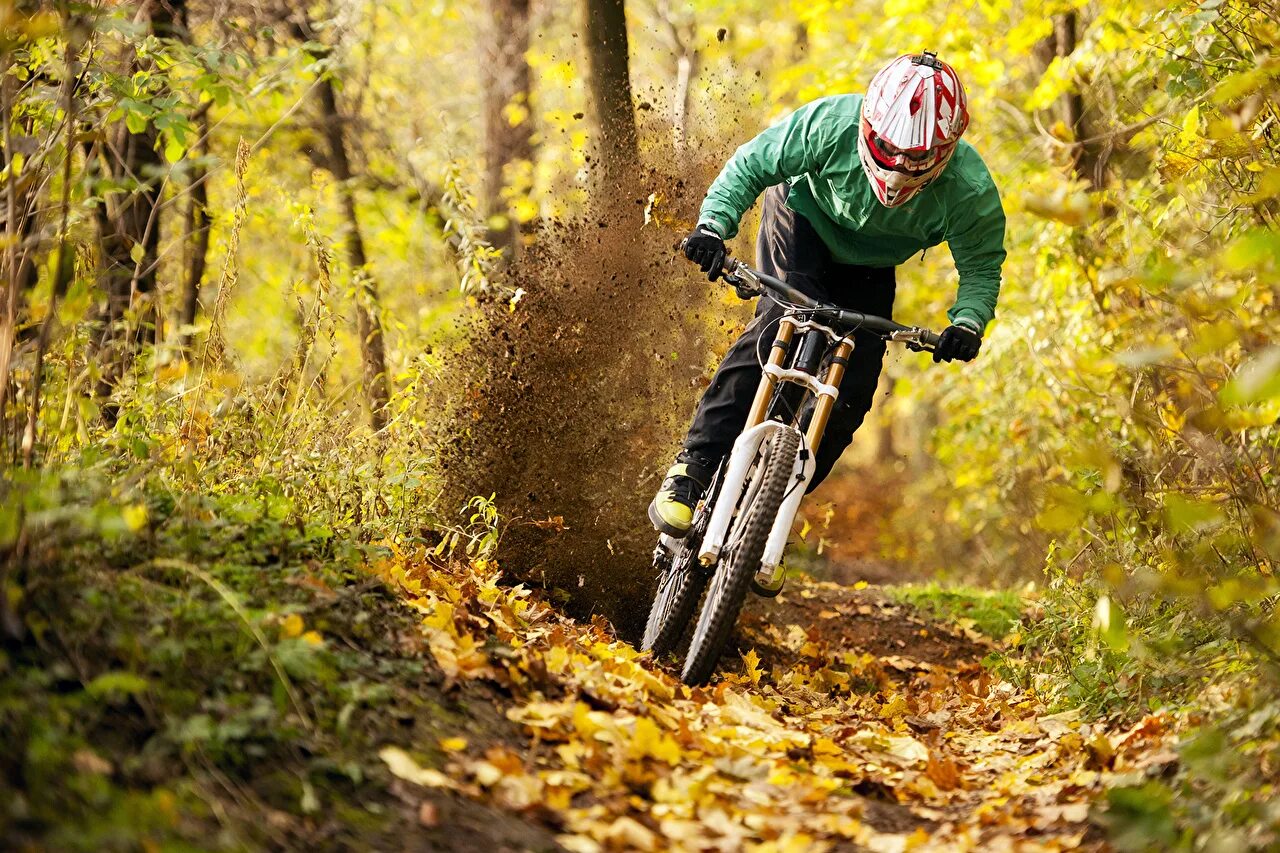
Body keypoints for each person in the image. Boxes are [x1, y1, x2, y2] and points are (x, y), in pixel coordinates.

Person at [649, 50, 1007, 538]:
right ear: (868, 124)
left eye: (917, 157)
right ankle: (691, 470)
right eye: (888, 148)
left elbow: (982, 264)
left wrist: (967, 322)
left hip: (872, 265)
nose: (900, 166)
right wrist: (713, 226)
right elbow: (751, 165)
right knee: (781, 325)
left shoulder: (969, 190)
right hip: (803, 223)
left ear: (945, 150)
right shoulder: (829, 123)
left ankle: (768, 513)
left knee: (855, 388)